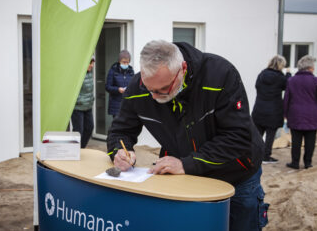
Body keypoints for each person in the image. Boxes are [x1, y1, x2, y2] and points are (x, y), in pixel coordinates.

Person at [107, 40, 268, 231]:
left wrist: (186, 164)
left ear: (182, 69)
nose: (154, 97)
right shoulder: (138, 88)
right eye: (148, 89)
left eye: (163, 89)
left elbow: (238, 137)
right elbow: (120, 131)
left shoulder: (220, 75)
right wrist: (120, 151)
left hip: (235, 174)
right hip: (184, 178)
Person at [283, 55, 317, 169]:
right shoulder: (316, 80)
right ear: (310, 68)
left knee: (296, 140)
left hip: (295, 114)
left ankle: (295, 162)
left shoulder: (291, 80)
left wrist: (285, 114)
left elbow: (287, 99)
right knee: (310, 141)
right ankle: (308, 163)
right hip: (312, 115)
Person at [252, 55, 291, 164]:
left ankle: (255, 156)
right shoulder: (280, 77)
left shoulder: (262, 74)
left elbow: (257, 86)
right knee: (270, 136)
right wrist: (288, 73)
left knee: (257, 135)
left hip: (259, 109)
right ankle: (266, 156)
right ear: (281, 65)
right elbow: (288, 85)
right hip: (273, 111)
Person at [71, 58, 95, 148]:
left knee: (90, 127)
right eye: (90, 63)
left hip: (88, 106)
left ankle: (81, 148)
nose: (92, 65)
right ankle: (75, 150)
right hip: (78, 107)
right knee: (78, 131)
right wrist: (78, 100)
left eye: (92, 63)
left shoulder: (89, 73)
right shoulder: (77, 74)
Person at [105, 50, 134, 118]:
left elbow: (133, 85)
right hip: (116, 105)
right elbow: (107, 87)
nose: (126, 64)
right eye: (124, 62)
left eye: (127, 62)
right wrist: (118, 89)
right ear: (119, 61)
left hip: (128, 104)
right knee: (118, 126)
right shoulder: (113, 70)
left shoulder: (131, 71)